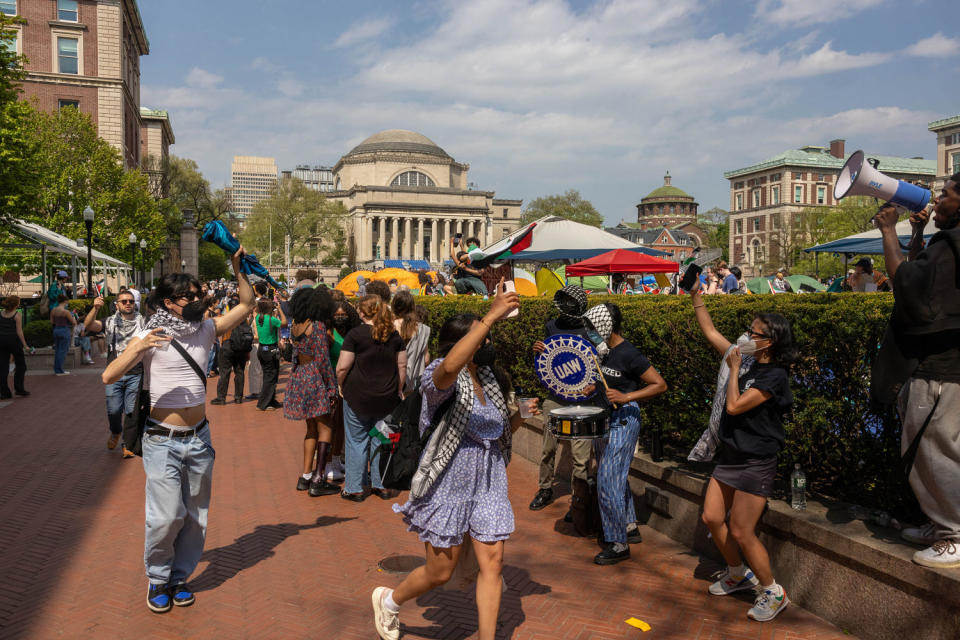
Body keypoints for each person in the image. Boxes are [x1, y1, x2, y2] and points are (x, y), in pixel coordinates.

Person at [373, 281, 534, 640]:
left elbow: (498, 431)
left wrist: (520, 417)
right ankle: (389, 600)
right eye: (482, 339)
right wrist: (490, 316)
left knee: (493, 564)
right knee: (440, 571)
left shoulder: (491, 379)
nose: (489, 344)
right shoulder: (437, 378)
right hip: (447, 483)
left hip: (489, 482)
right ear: (466, 343)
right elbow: (449, 368)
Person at [101, 247, 254, 614]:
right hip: (160, 440)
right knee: (166, 515)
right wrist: (139, 346)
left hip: (199, 438)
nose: (199, 300)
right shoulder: (151, 334)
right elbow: (109, 376)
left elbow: (247, 303)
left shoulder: (206, 329)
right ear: (170, 303)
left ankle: (179, 576)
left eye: (200, 294)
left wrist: (238, 267)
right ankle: (157, 577)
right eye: (191, 296)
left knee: (196, 514)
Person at [689, 280, 796, 621]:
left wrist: (734, 369)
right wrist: (695, 298)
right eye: (748, 330)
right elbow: (710, 332)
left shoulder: (774, 376)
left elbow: (734, 406)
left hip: (756, 459)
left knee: (741, 530)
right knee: (711, 517)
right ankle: (737, 573)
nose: (746, 337)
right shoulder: (745, 361)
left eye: (755, 333)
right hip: (731, 456)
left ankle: (773, 592)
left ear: (770, 342)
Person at [875, 174, 960, 569]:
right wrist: (917, 233)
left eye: (946, 194)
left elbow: (904, 286)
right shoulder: (947, 244)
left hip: (940, 373)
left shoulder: (954, 243)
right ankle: (937, 521)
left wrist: (889, 232)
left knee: (934, 450)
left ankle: (953, 533)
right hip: (937, 370)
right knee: (924, 449)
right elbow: (920, 278)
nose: (937, 199)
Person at [580, 303, 667, 565]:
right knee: (615, 475)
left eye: (593, 328)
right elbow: (607, 382)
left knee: (607, 479)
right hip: (603, 418)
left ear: (606, 327)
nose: (589, 332)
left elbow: (659, 384)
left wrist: (627, 396)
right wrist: (593, 387)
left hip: (624, 419)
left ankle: (618, 543)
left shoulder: (630, 353)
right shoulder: (602, 352)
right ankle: (629, 525)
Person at [529, 286, 595, 512]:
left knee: (581, 455)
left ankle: (578, 499)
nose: (565, 306)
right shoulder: (551, 326)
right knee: (548, 448)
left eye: (570, 301)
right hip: (555, 396)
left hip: (585, 400)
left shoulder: (591, 328)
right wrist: (537, 350)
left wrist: (595, 384)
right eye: (563, 300)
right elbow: (546, 360)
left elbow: (602, 359)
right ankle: (545, 489)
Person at [336, 295, 406, 502]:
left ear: (363, 312)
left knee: (356, 440)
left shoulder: (355, 335)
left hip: (357, 395)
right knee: (383, 439)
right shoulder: (394, 336)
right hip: (387, 397)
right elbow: (402, 366)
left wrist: (341, 384)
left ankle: (355, 488)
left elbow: (343, 366)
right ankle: (382, 484)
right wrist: (399, 388)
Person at [284, 287, 340, 496]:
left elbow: (295, 356)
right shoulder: (316, 326)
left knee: (311, 429)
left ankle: (305, 475)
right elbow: (323, 360)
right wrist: (332, 388)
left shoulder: (296, 326)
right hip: (315, 377)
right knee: (326, 427)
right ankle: (319, 478)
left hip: (300, 375)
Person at [83, 293, 145, 456]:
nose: (128, 304)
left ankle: (127, 443)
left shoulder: (143, 322)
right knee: (114, 410)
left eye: (131, 301)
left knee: (131, 411)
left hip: (136, 372)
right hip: (114, 374)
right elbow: (89, 325)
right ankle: (115, 432)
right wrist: (95, 309)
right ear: (117, 304)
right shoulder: (109, 322)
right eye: (124, 301)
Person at [325, 299, 361, 482]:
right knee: (331, 423)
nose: (340, 318)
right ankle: (328, 461)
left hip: (349, 383)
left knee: (342, 424)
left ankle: (338, 459)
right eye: (336, 315)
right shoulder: (328, 333)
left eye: (343, 315)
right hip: (332, 383)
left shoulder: (352, 332)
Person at [392, 290, 431, 395]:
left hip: (393, 380)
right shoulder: (424, 329)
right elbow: (426, 359)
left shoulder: (391, 326)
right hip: (414, 383)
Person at [210, 310, 252, 405]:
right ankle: (238, 397)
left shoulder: (228, 318)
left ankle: (221, 398)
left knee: (224, 372)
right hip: (241, 348)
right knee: (240, 372)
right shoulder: (244, 320)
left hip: (227, 345)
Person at [254, 298, 286, 411]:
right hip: (270, 350)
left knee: (270, 376)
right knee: (270, 378)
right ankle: (263, 403)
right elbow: (284, 323)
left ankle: (271, 400)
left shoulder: (258, 317)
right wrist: (280, 309)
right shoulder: (271, 319)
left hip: (262, 349)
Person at [0, 296, 30, 399]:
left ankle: (4, 392)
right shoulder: (17, 315)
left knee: (3, 366)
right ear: (16, 305)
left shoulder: (1, 313)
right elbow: (19, 331)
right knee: (21, 365)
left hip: (2, 340)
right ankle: (19, 389)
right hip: (14, 341)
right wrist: (25, 345)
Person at [50, 296, 76, 375]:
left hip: (56, 330)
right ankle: (60, 370)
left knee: (57, 350)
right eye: (67, 301)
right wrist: (73, 317)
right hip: (64, 330)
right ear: (65, 301)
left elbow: (52, 322)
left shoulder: (53, 310)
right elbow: (73, 322)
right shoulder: (66, 312)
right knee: (63, 351)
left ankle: (56, 369)